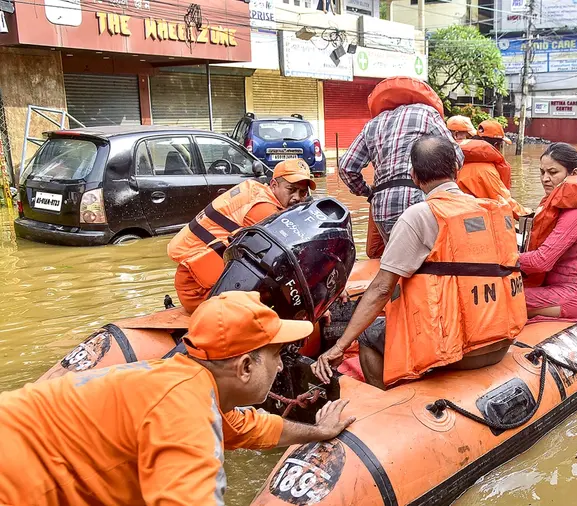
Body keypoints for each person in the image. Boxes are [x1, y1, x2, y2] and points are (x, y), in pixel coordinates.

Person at [0, 291, 354, 506]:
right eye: (277, 355)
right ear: (245, 366)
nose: (281, 368)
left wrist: (318, 432)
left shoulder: (184, 382)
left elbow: (252, 428)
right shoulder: (185, 411)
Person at [313, 135, 526, 390]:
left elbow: (382, 288)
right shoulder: (490, 210)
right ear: (457, 169)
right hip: (501, 341)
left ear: (413, 175)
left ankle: (388, 402)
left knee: (369, 334)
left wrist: (339, 347)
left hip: (460, 352)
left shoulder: (419, 215)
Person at [168, 159, 315, 313]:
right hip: (198, 290)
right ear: (273, 185)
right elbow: (291, 262)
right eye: (291, 189)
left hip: (200, 281)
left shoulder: (258, 191)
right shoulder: (263, 211)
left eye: (303, 192)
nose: (297, 198)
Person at [339, 77, 463, 259]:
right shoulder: (427, 113)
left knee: (397, 263)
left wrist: (367, 192)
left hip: (382, 207)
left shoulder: (373, 124)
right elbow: (456, 156)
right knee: (428, 263)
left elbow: (346, 167)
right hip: (419, 199)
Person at [519, 143, 577, 320]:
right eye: (542, 172)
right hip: (562, 290)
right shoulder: (564, 207)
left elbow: (541, 262)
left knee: (501, 298)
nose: (545, 179)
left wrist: (501, 258)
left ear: (574, 174)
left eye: (553, 173)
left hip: (574, 297)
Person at [457, 137, 529, 217]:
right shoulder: (486, 171)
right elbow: (504, 201)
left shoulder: (458, 165)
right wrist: (527, 213)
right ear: (496, 145)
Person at [474, 120, 513, 189]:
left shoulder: (459, 161)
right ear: (496, 145)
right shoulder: (492, 171)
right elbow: (502, 197)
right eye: (502, 146)